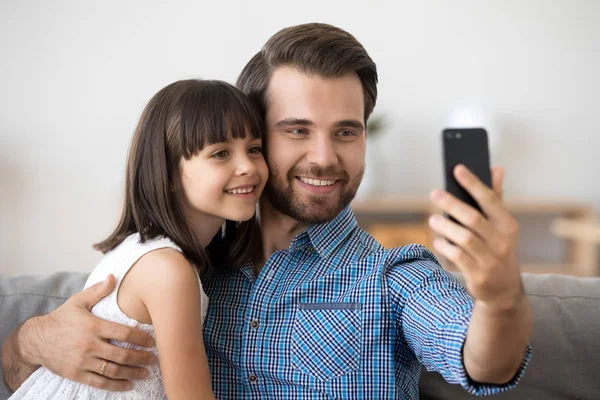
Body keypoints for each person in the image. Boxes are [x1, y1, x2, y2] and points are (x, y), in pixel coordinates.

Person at [2, 23, 532, 399]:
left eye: (346, 132)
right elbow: (25, 375)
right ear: (251, 136)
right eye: (297, 130)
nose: (325, 157)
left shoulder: (396, 277)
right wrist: (31, 340)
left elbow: (484, 362)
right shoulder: (180, 267)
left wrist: (501, 298)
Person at [6, 79, 268, 399]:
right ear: (168, 173)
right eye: (221, 153)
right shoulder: (168, 271)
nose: (247, 166)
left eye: (254, 149)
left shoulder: (144, 250)